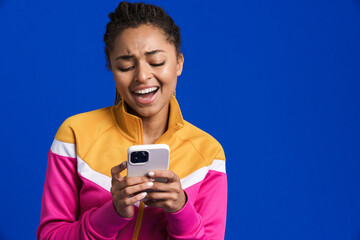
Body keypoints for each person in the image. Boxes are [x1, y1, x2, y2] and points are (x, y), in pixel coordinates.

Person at [37, 2, 227, 239]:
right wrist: (113, 212)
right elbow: (50, 236)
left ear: (178, 63)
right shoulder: (74, 135)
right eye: (125, 65)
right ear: (111, 68)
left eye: (156, 62)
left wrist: (180, 210)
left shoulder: (208, 154)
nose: (142, 76)